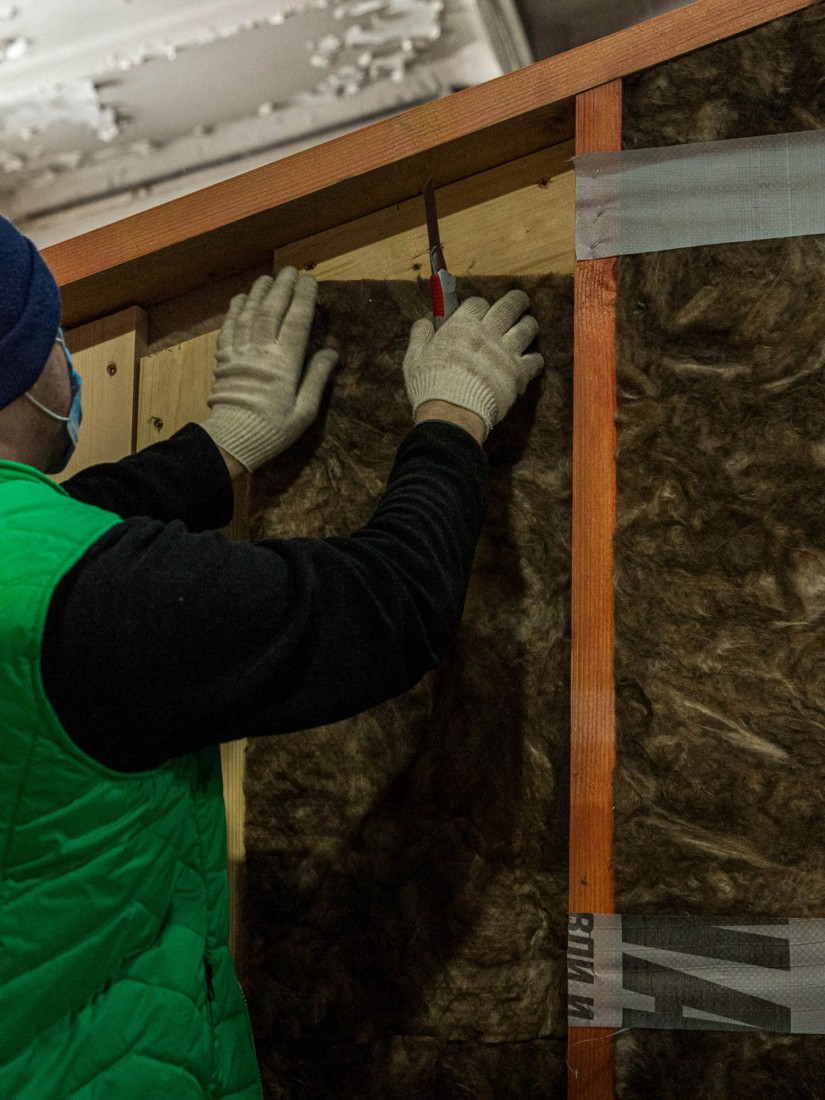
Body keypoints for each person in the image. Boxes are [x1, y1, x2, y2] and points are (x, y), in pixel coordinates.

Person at [0, 214, 543, 1099]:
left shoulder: (57, 578)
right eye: (53, 333)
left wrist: (219, 446)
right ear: (22, 372)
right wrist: (453, 414)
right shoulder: (83, 599)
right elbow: (387, 605)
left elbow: (65, 536)